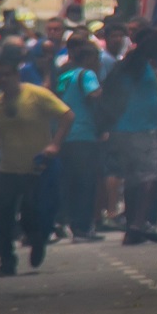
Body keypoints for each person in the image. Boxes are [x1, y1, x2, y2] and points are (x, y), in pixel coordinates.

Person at [0, 54, 74, 277]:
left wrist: (55, 145)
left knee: (31, 216)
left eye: (7, 75)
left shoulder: (36, 95)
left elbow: (67, 115)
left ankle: (37, 240)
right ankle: (6, 262)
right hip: (9, 169)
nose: (3, 80)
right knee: (3, 219)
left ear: (16, 75)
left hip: (36, 168)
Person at [105, 27, 157, 245]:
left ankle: (132, 227)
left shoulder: (125, 65)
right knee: (151, 176)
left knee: (133, 179)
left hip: (122, 130)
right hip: (142, 130)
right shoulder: (145, 66)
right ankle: (138, 222)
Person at [55, 37, 105, 242]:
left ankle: (69, 222)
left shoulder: (65, 76)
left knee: (71, 183)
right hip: (84, 134)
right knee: (86, 183)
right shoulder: (87, 74)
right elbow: (95, 95)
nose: (98, 62)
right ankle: (83, 227)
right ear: (88, 58)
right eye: (96, 57)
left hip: (65, 135)